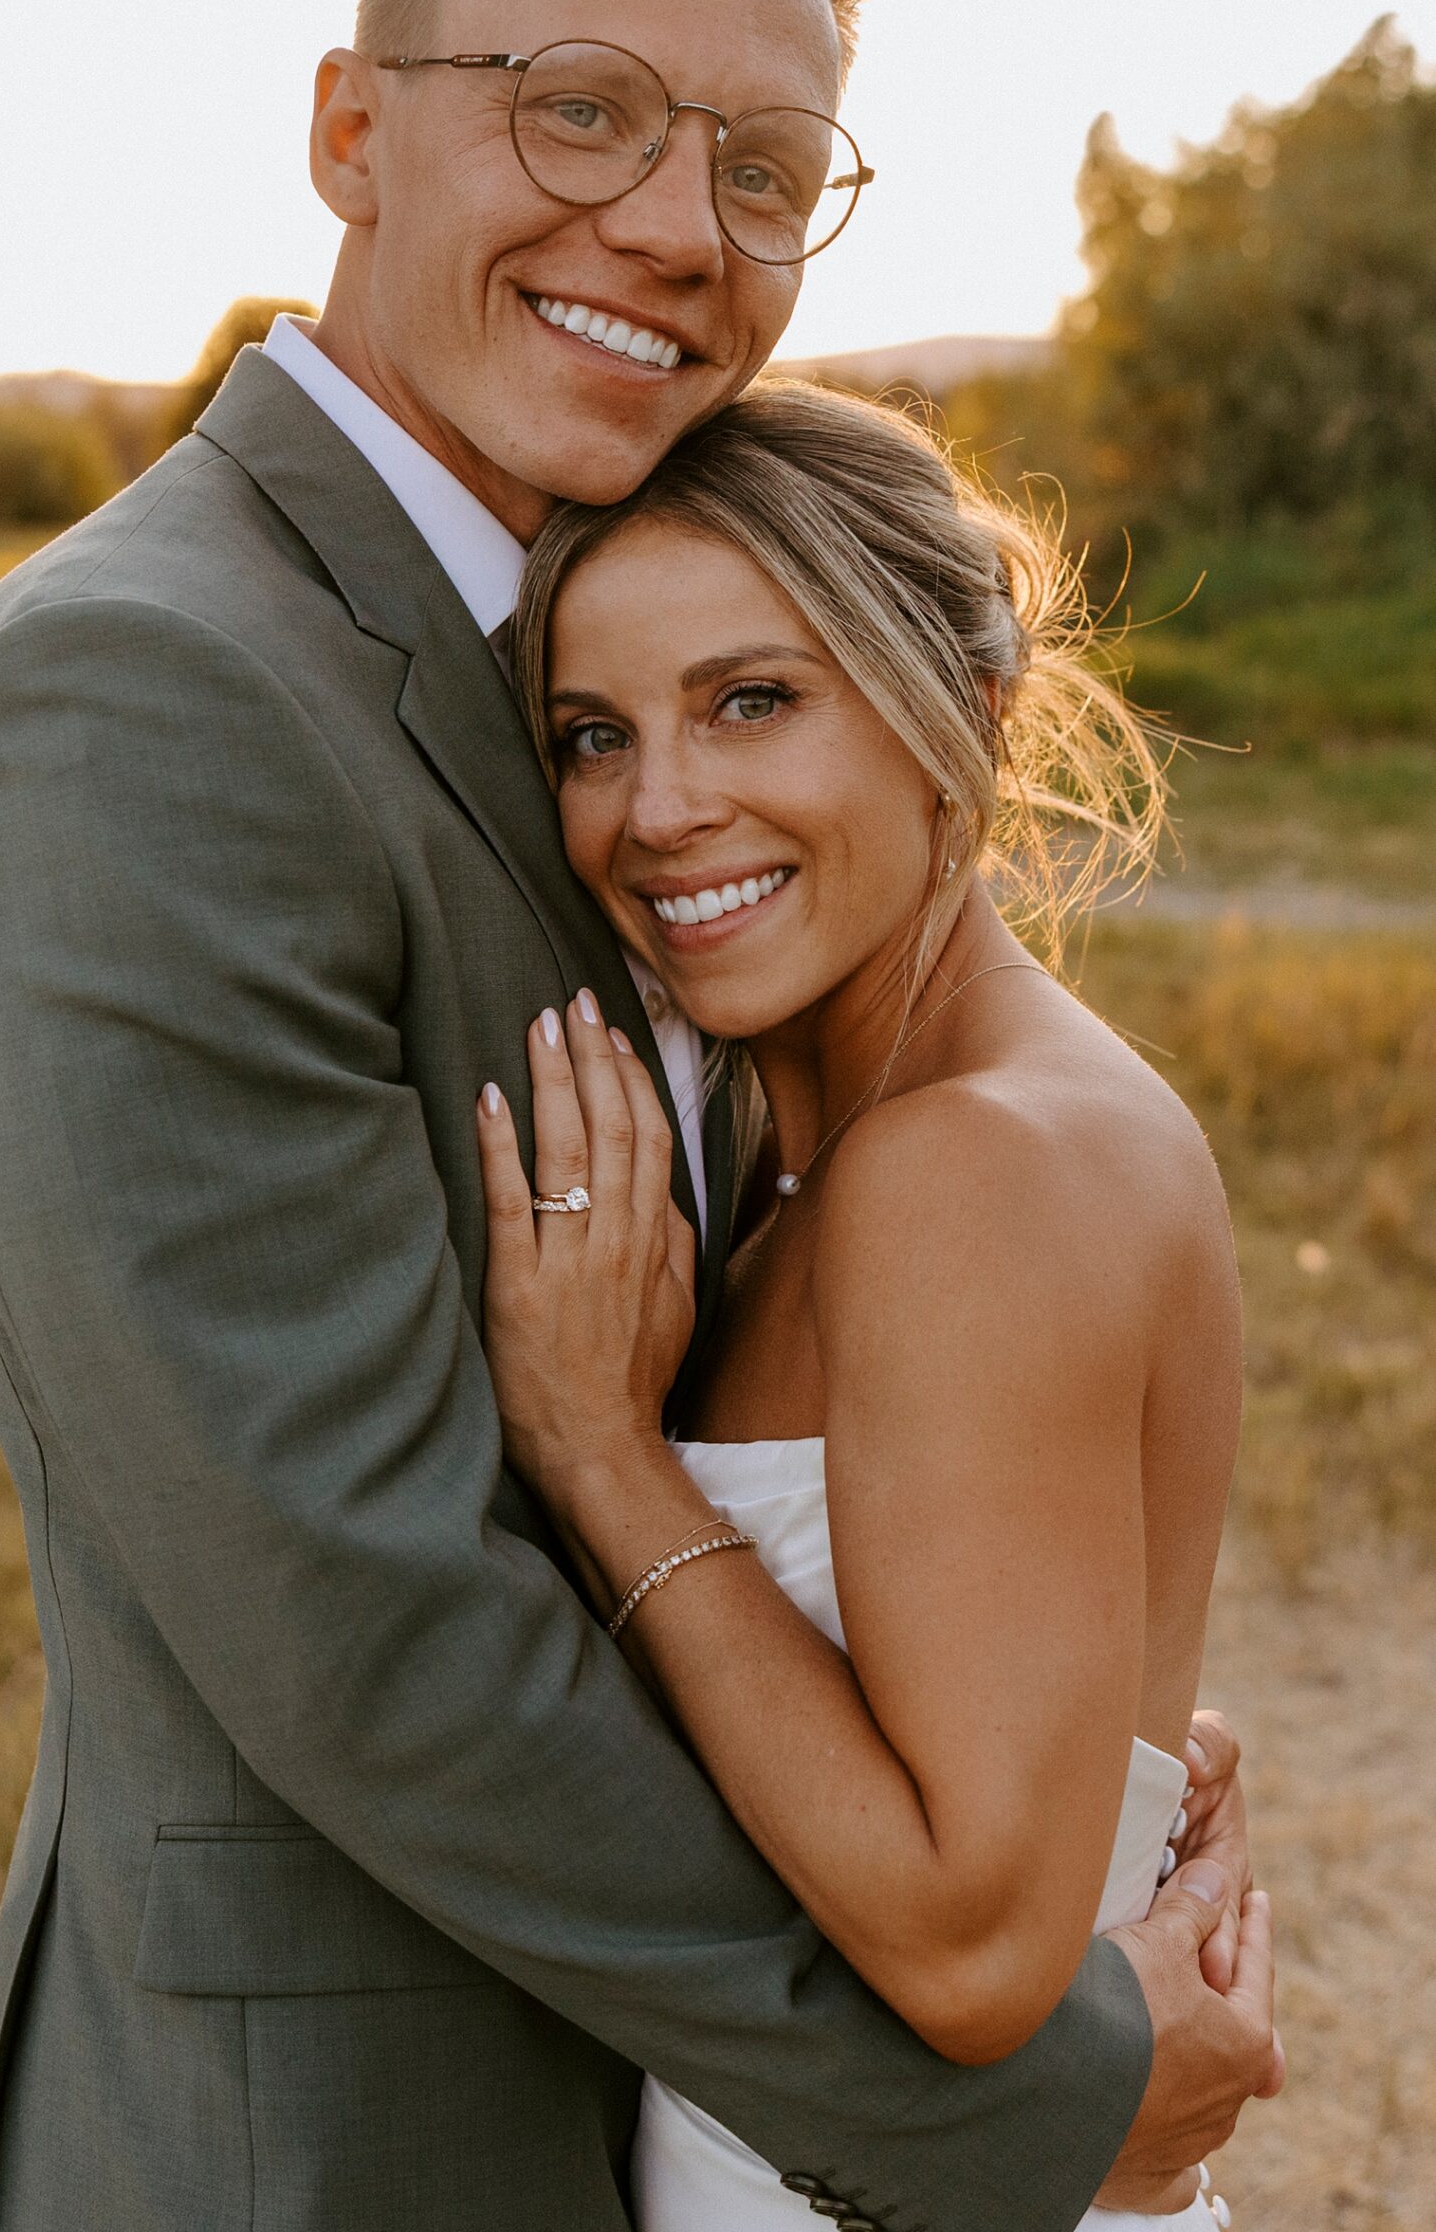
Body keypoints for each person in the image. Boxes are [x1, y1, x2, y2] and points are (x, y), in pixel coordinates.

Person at [0, 0, 1278, 2232]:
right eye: (580, 108)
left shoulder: (570, 648)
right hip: (344, 2149)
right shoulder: (138, 696)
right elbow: (370, 1630)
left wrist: (1057, 1741)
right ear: (349, 131)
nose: (675, 226)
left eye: (761, 163)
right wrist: (1020, 2097)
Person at [477, 380, 1263, 2227]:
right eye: (595, 735)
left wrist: (607, 1458)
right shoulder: (856, 1155)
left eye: (753, 700)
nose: (663, 809)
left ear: (958, 717)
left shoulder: (969, 1166)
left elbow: (977, 1949)